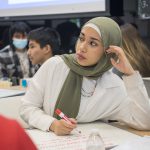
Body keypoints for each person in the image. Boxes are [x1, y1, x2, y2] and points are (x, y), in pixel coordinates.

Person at [20, 17, 150, 136]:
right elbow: (27, 107)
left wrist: (130, 74)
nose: (81, 47)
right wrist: (52, 124)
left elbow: (144, 121)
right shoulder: (55, 65)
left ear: (108, 51)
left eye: (93, 43)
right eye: (81, 39)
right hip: (46, 142)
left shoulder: (113, 85)